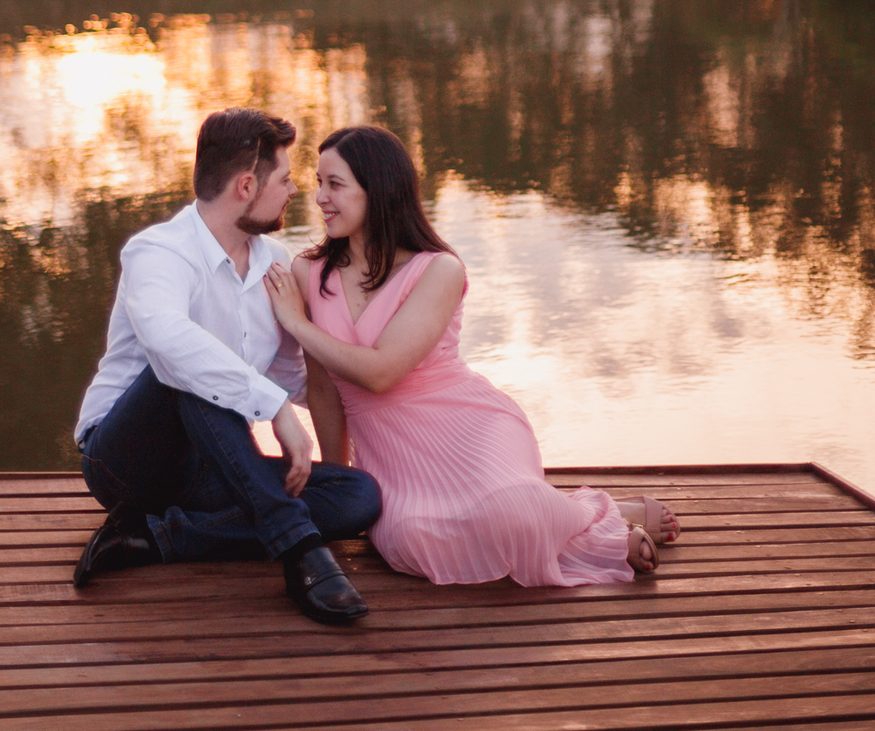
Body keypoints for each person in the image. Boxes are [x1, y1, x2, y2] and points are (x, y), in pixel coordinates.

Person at [264, 125, 681, 588]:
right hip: (394, 456)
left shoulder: (438, 269)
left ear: (378, 189)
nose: (319, 197)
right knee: (411, 540)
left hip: (469, 426)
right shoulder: (308, 271)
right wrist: (342, 486)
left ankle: (593, 517)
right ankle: (573, 512)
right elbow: (323, 389)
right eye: (318, 182)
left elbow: (380, 373)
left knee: (514, 511)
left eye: (335, 184)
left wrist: (297, 324)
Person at [72, 107, 382, 625]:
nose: (293, 191)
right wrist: (276, 409)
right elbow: (170, 343)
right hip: (123, 459)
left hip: (212, 465)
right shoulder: (158, 252)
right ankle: (299, 550)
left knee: (357, 496)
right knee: (185, 368)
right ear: (245, 186)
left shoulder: (273, 263)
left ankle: (156, 537)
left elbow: (291, 378)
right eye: (284, 180)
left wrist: (382, 394)